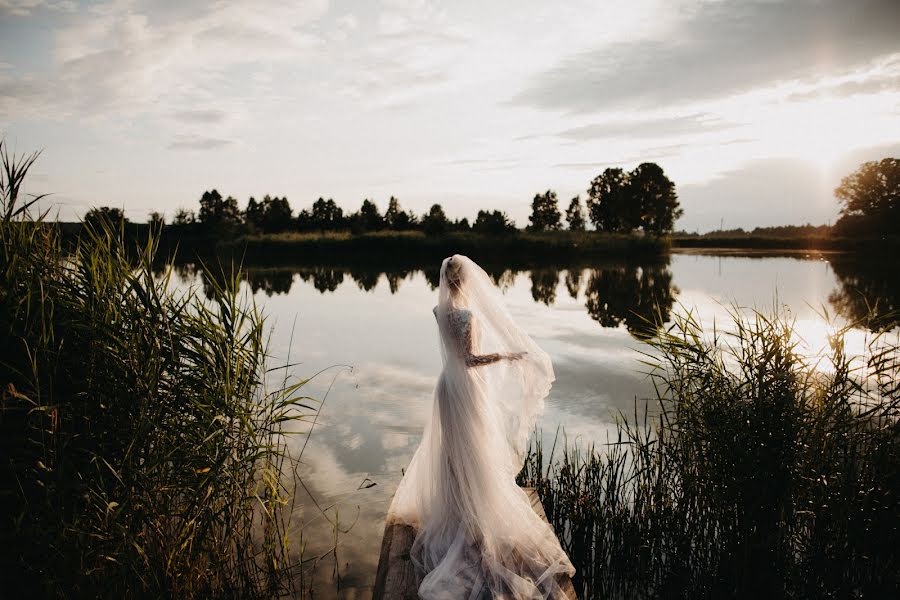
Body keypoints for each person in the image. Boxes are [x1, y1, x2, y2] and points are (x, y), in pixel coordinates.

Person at [387, 254, 575, 598]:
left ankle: (455, 508)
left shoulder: (438, 311)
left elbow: (454, 357)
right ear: (465, 280)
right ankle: (471, 516)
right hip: (466, 390)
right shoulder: (465, 314)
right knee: (474, 449)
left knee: (454, 450)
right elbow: (471, 360)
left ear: (446, 280)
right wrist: (505, 356)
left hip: (446, 387)